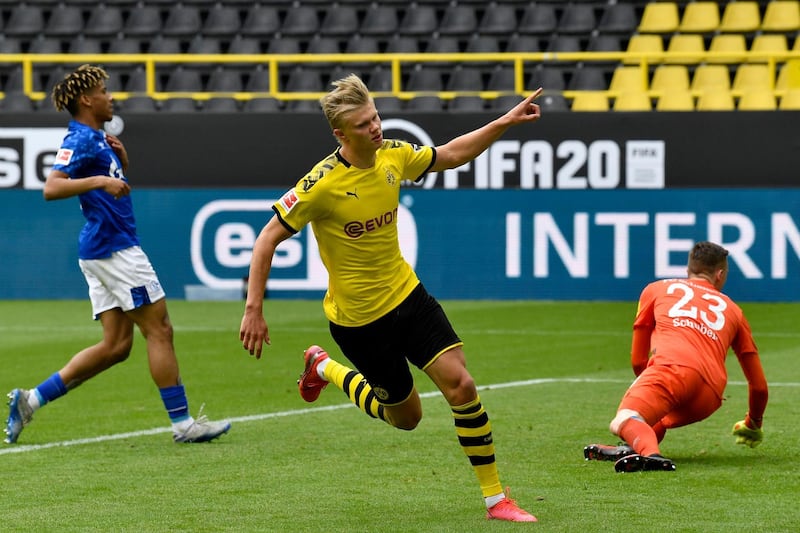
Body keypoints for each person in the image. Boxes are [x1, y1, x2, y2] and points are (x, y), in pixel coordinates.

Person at [239, 75, 543, 522]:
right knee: (406, 418)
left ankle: (496, 499)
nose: (376, 128)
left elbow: (452, 153)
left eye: (376, 117)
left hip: (409, 297)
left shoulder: (393, 156)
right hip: (360, 322)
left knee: (461, 385)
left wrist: (506, 120)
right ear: (340, 134)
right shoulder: (320, 185)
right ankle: (324, 366)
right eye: (364, 124)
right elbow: (266, 239)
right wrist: (253, 310)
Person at [4, 65, 230, 445]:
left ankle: (31, 399)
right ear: (86, 100)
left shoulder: (97, 139)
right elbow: (52, 187)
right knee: (160, 330)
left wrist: (121, 167)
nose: (112, 98)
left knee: (116, 347)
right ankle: (183, 424)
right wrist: (102, 179)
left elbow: (113, 191)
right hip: (115, 249)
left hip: (103, 248)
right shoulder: (81, 139)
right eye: (104, 91)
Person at [584, 241, 769, 472]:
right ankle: (632, 448)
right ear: (720, 274)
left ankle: (651, 456)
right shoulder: (734, 310)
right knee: (656, 419)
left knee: (623, 419)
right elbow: (759, 386)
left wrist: (656, 386)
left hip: (672, 370)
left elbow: (638, 360)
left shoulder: (656, 289)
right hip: (709, 395)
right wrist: (753, 423)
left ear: (688, 269)